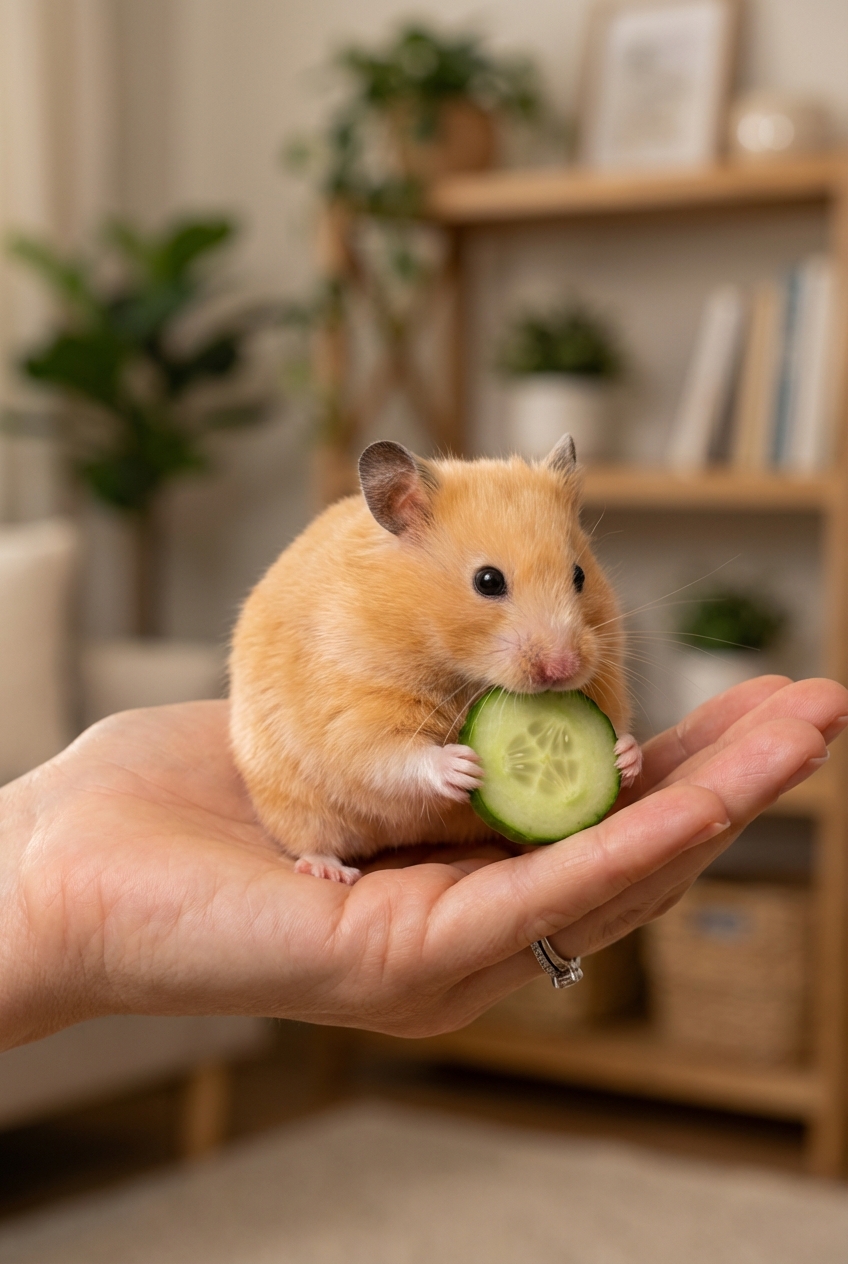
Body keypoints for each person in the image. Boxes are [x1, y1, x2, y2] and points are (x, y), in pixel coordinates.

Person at [1, 675, 844, 1053]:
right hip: (327, 793)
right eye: (490, 587)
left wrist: (613, 748)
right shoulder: (356, 622)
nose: (556, 653)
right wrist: (413, 763)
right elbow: (344, 731)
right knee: (323, 800)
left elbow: (586, 696)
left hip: (464, 820)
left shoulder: (567, 639)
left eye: (577, 585)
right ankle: (320, 851)